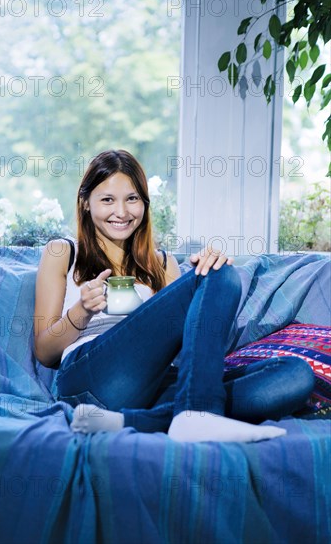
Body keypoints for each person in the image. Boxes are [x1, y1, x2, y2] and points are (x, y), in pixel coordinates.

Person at [34, 149, 315, 443]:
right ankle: (199, 413)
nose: (122, 212)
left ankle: (131, 421)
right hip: (89, 377)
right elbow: (44, 351)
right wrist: (81, 311)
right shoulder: (62, 252)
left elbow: (185, 348)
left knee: (294, 375)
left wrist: (202, 291)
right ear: (86, 203)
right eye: (107, 200)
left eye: (132, 199)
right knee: (220, 272)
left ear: (144, 203)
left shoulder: (163, 264)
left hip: (152, 386)